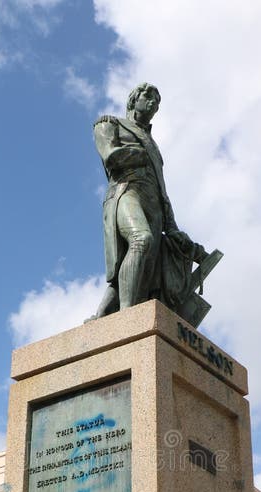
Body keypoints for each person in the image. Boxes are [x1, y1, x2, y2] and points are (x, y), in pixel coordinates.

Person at [93, 83, 208, 318]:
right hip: (127, 192)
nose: (154, 104)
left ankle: (102, 317)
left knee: (144, 267)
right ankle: (127, 319)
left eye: (158, 101)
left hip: (154, 206)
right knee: (140, 239)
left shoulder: (154, 145)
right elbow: (111, 157)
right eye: (148, 97)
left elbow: (162, 191)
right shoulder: (109, 123)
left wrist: (173, 228)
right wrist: (140, 154)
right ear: (133, 100)